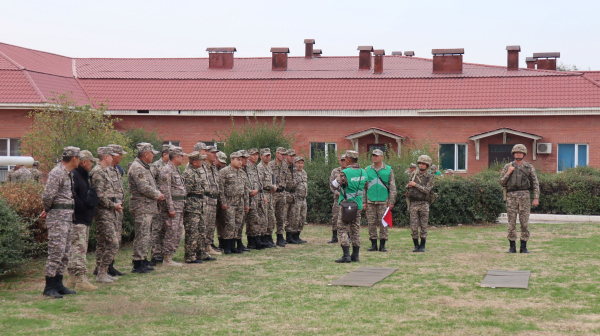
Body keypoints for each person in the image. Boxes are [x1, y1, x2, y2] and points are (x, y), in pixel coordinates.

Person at [40, 146, 80, 298]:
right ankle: (49, 287)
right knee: (56, 251)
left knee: (65, 252)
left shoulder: (67, 173)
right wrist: (47, 209)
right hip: (58, 217)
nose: (80, 161)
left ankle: (58, 284)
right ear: (74, 158)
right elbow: (47, 196)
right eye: (79, 158)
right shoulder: (57, 172)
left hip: (67, 216)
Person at [128, 143, 164, 273]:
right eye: (152, 153)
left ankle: (142, 259)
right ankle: (138, 263)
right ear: (146, 154)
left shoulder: (144, 167)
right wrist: (158, 195)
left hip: (147, 207)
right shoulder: (138, 168)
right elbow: (143, 188)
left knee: (146, 235)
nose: (154, 155)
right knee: (142, 235)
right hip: (141, 207)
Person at [66, 150, 98, 291]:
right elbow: (73, 196)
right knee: (79, 249)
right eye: (91, 161)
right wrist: (84, 208)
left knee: (77, 249)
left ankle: (72, 278)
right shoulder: (75, 175)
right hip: (78, 218)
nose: (92, 164)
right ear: (84, 162)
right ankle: (81, 280)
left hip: (84, 218)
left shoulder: (84, 175)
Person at [499, 144, 540, 254]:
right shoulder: (508, 166)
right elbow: (501, 182)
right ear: (513, 154)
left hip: (524, 196)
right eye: (516, 152)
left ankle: (523, 247)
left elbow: (535, 183)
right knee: (511, 222)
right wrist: (508, 173)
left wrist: (536, 197)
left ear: (524, 154)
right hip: (511, 196)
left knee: (524, 222)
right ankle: (512, 247)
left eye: (520, 153)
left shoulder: (528, 167)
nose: (518, 154)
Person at [90, 147, 122, 283]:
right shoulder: (98, 172)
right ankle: (102, 270)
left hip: (109, 210)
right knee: (112, 243)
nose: (113, 158)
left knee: (104, 243)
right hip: (103, 211)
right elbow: (99, 195)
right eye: (111, 156)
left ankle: (102, 272)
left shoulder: (105, 171)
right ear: (106, 157)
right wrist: (112, 205)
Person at [332, 150, 367, 263]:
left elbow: (334, 184)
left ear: (348, 159)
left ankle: (346, 255)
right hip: (358, 204)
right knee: (355, 229)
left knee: (342, 228)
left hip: (346, 205)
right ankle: (355, 255)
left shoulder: (345, 172)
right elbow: (366, 185)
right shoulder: (363, 172)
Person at [158, 146, 188, 267]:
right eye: (182, 156)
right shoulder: (167, 170)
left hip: (179, 206)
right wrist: (170, 208)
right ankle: (167, 258)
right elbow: (166, 191)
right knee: (171, 231)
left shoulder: (176, 169)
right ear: (176, 156)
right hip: (173, 207)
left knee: (177, 231)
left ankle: (170, 256)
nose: (183, 158)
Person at [364, 149, 397, 252]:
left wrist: (391, 201)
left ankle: (382, 245)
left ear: (382, 157)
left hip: (384, 201)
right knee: (371, 223)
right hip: (370, 201)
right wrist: (364, 201)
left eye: (377, 155)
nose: (375, 157)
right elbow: (363, 187)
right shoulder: (367, 170)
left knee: (383, 224)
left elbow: (392, 187)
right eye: (373, 155)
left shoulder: (388, 169)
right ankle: (373, 244)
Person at [219, 151, 249, 254]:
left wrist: (246, 203)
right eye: (238, 160)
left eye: (241, 160)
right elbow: (221, 188)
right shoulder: (224, 171)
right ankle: (226, 246)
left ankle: (233, 245)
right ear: (232, 160)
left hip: (240, 202)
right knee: (229, 224)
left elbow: (246, 190)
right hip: (229, 201)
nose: (240, 162)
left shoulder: (242, 172)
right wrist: (223, 202)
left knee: (238, 224)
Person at [182, 151, 210, 264]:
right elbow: (185, 192)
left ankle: (201, 253)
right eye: (200, 160)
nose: (202, 161)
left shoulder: (195, 172)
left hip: (198, 206)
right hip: (191, 207)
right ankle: (190, 256)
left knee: (201, 230)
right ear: (194, 162)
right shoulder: (188, 173)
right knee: (192, 232)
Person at [149, 144, 172, 265]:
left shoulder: (170, 167)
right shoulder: (156, 166)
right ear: (164, 154)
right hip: (158, 202)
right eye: (170, 153)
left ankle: (163, 252)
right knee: (156, 228)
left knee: (165, 228)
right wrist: (157, 194)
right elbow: (151, 182)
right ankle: (155, 254)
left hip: (167, 202)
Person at [407, 155, 435, 253]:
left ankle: (422, 245)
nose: (421, 165)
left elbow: (427, 190)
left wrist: (415, 185)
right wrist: (409, 185)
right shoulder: (414, 174)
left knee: (424, 226)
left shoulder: (430, 177)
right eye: (420, 163)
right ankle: (416, 245)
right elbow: (408, 185)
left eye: (424, 164)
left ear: (427, 165)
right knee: (414, 227)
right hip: (414, 203)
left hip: (424, 203)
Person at [107, 144, 127, 276]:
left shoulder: (116, 170)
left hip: (117, 208)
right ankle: (102, 267)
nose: (122, 157)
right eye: (120, 154)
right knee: (109, 239)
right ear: (113, 155)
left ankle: (110, 265)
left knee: (116, 239)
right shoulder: (105, 170)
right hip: (109, 208)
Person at [244, 148, 269, 250]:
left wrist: (263, 195)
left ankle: (257, 240)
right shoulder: (246, 167)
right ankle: (252, 242)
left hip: (258, 195)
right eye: (253, 155)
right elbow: (247, 182)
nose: (255, 156)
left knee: (259, 219)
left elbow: (259, 183)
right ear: (248, 156)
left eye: (256, 155)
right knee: (252, 219)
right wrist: (250, 192)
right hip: (251, 196)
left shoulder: (255, 167)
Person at [202, 146, 221, 255]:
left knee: (211, 225)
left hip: (214, 200)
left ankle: (209, 246)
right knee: (205, 224)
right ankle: (203, 247)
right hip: (206, 200)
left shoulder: (213, 167)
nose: (215, 155)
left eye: (216, 153)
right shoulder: (202, 166)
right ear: (206, 154)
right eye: (213, 153)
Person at [256, 148, 277, 248]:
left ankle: (269, 237)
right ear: (261, 156)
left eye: (269, 155)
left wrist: (274, 186)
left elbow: (272, 179)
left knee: (271, 218)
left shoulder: (269, 167)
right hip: (264, 194)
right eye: (265, 155)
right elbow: (260, 183)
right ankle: (263, 238)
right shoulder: (260, 167)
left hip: (270, 194)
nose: (267, 157)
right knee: (264, 218)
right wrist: (272, 187)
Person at [269, 147, 289, 247]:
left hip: (282, 193)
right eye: (281, 154)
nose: (283, 156)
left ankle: (280, 237)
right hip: (273, 193)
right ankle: (269, 237)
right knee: (271, 216)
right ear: (276, 154)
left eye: (284, 154)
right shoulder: (270, 165)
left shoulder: (285, 165)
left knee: (281, 216)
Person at [235, 150, 252, 252]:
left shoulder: (248, 169)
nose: (245, 160)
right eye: (242, 158)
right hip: (235, 200)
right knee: (235, 223)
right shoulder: (236, 170)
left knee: (241, 223)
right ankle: (234, 243)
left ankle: (240, 242)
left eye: (246, 158)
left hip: (246, 199)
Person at [284, 149, 302, 244]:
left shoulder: (294, 167)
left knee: (292, 217)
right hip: (285, 193)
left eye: (293, 156)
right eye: (290, 156)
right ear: (286, 156)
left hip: (293, 194)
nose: (292, 157)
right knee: (283, 216)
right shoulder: (283, 166)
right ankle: (280, 237)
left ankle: (289, 237)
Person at [328, 154, 347, 243]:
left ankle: (348, 236)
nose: (343, 162)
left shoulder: (351, 171)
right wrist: (337, 193)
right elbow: (332, 185)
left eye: (345, 160)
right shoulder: (335, 171)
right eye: (342, 160)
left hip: (348, 199)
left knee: (348, 217)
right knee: (335, 217)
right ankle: (334, 236)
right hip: (338, 198)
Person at [293, 156, 308, 243]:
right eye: (298, 163)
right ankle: (293, 236)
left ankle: (298, 236)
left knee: (302, 218)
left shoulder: (304, 173)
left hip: (303, 199)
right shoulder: (293, 173)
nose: (300, 165)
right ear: (295, 164)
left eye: (301, 163)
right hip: (296, 199)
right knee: (295, 218)